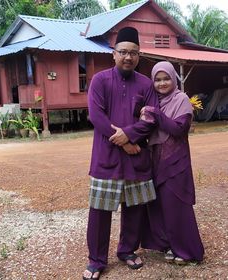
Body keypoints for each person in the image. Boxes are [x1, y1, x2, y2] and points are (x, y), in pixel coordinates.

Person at [83, 26, 159, 280]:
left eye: (134, 53)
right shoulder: (100, 80)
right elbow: (96, 115)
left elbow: (150, 118)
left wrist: (130, 135)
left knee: (134, 208)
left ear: (139, 56)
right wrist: (124, 140)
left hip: (136, 158)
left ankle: (126, 250)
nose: (128, 57)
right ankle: (96, 260)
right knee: (100, 210)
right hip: (107, 156)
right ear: (113, 54)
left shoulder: (146, 84)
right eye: (123, 52)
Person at [140, 61, 204, 264]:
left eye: (166, 78)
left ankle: (188, 251)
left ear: (174, 78)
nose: (162, 83)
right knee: (159, 205)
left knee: (176, 204)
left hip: (176, 160)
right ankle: (168, 245)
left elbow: (178, 129)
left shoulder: (181, 99)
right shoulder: (154, 101)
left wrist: (156, 114)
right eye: (157, 80)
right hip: (156, 158)